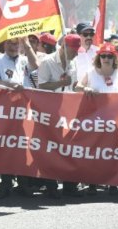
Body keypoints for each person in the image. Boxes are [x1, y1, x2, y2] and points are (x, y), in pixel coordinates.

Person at [0, 37, 38, 199]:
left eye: (16, 43)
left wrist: (28, 46)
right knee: (6, 145)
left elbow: (36, 67)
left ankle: (23, 183)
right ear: (4, 44)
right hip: (5, 110)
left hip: (25, 110)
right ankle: (6, 182)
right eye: (10, 43)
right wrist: (11, 86)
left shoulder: (25, 60)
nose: (13, 46)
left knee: (23, 145)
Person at [75, 43, 118, 195]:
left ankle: (113, 183)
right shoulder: (91, 73)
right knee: (95, 153)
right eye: (103, 56)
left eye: (110, 56)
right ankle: (92, 183)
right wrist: (86, 89)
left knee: (113, 154)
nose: (106, 59)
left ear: (114, 58)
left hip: (114, 122)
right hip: (95, 122)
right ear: (99, 57)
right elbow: (77, 87)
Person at [38, 34, 82, 198]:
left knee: (69, 148)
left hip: (69, 111)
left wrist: (84, 88)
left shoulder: (73, 62)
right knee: (50, 148)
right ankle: (50, 186)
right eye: (74, 50)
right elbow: (41, 86)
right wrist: (60, 83)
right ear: (64, 46)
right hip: (50, 111)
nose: (76, 53)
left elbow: (74, 85)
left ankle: (70, 185)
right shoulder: (47, 62)